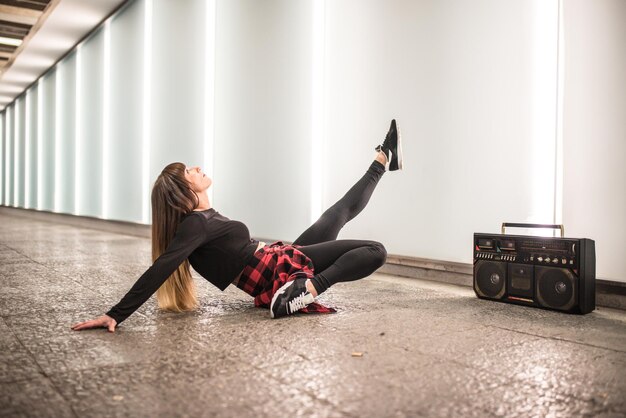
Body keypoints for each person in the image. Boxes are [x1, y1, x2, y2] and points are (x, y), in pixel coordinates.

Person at [72, 120, 403, 332]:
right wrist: (116, 314)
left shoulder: (203, 220)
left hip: (277, 258)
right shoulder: (195, 225)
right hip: (275, 273)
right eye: (191, 171)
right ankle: (306, 291)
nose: (198, 168)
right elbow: (162, 266)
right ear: (186, 191)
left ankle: (384, 156)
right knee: (375, 251)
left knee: (336, 213)